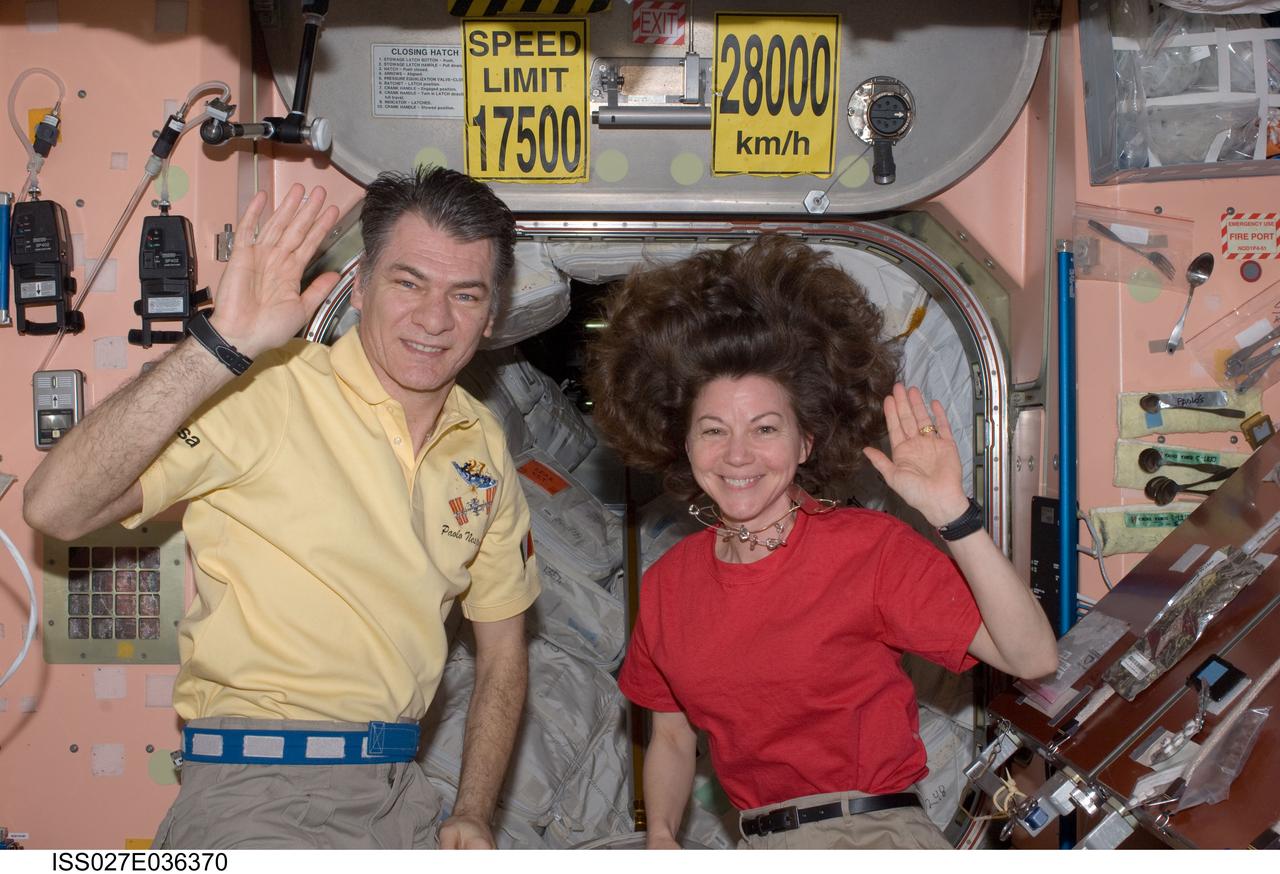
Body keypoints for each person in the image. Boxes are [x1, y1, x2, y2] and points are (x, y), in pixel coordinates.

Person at [23, 167, 540, 849]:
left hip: (400, 796)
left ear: (493, 313)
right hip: (261, 791)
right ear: (360, 285)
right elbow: (54, 507)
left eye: (464, 294)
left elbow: (505, 654)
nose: (434, 319)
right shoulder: (268, 391)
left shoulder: (482, 447)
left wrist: (473, 809)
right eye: (408, 282)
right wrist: (218, 346)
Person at [585, 234, 1058, 850]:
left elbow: (1033, 659)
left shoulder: (869, 551)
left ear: (805, 442)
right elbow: (672, 738)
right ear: (684, 444)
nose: (737, 455)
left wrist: (953, 513)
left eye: (765, 428)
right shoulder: (669, 585)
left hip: (874, 836)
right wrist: (663, 838)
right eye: (712, 430)